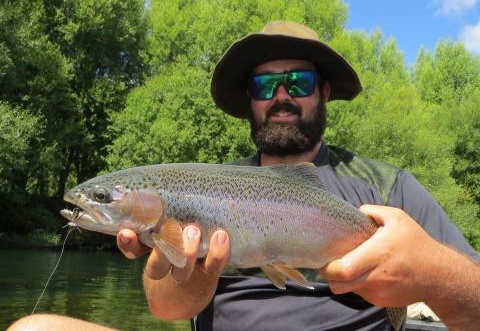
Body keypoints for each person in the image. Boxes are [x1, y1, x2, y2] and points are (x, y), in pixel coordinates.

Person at [9, 21, 480, 331]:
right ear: (249, 101)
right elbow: (166, 309)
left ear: (325, 93)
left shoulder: (386, 188)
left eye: (298, 82)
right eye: (262, 84)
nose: (280, 95)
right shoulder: (203, 183)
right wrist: (188, 280)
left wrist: (433, 274)